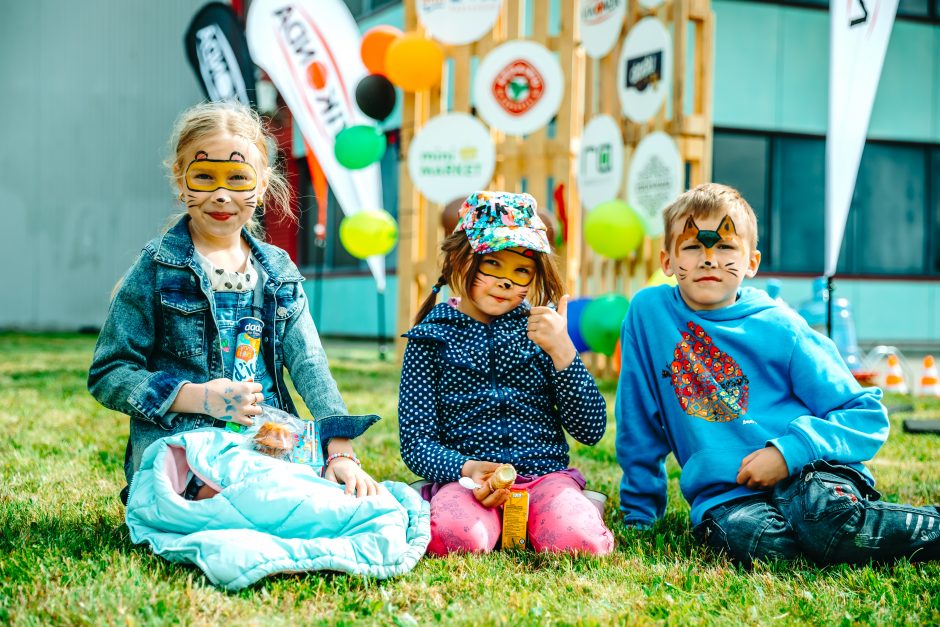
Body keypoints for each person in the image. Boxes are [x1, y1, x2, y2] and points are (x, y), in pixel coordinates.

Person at [615, 182, 940, 566]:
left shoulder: (781, 326)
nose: (708, 259)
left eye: (724, 246)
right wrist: (639, 514)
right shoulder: (648, 314)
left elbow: (864, 412)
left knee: (823, 522)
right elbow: (638, 422)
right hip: (728, 497)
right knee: (757, 543)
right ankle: (836, 540)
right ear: (667, 261)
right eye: (691, 247)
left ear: (751, 262)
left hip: (810, 472)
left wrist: (789, 453)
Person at [88, 102, 379, 502]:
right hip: (185, 447)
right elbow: (110, 372)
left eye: (238, 178)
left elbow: (310, 365)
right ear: (180, 180)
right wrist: (199, 397)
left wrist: (340, 449)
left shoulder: (278, 271)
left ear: (261, 186)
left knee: (328, 497)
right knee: (225, 494)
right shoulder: (156, 267)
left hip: (268, 442)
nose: (221, 195)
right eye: (204, 176)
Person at [398, 190, 614, 556]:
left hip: (545, 478)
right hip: (467, 482)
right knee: (453, 540)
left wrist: (563, 351)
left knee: (581, 545)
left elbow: (591, 430)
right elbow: (417, 444)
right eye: (492, 264)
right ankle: (444, 504)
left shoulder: (543, 331)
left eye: (521, 271)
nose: (506, 281)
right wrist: (466, 468)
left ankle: (571, 509)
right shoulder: (428, 340)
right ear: (457, 261)